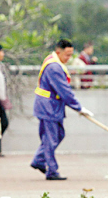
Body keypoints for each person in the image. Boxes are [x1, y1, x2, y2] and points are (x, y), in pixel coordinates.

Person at [30, 39, 94, 180]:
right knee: (52, 138)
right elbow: (64, 91)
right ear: (58, 52)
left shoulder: (54, 61)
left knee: (56, 135)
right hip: (48, 107)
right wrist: (79, 108)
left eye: (71, 55)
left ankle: (39, 160)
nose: (69, 58)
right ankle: (52, 170)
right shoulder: (54, 67)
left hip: (50, 106)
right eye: (67, 55)